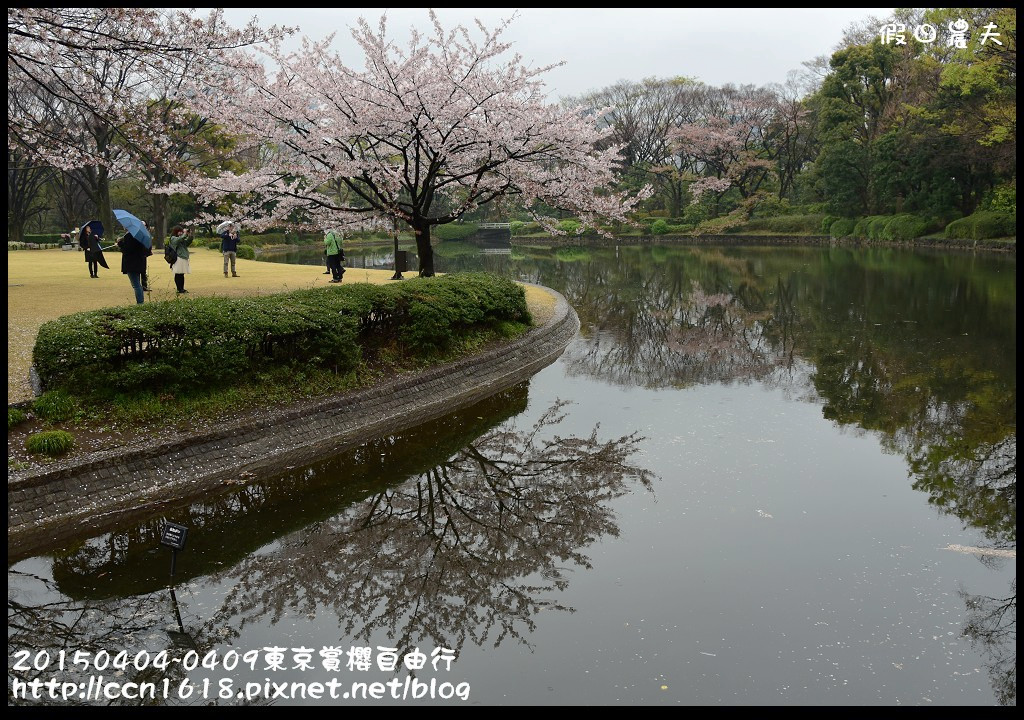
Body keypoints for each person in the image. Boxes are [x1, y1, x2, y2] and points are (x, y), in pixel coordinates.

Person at [117, 231, 151, 304]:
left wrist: (120, 244)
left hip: (132, 263)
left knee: (136, 285)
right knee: (137, 284)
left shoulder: (130, 235)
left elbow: (127, 250)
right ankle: (140, 302)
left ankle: (140, 302)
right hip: (139, 262)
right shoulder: (140, 235)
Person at [168, 225, 193, 294]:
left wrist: (190, 235)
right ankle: (179, 289)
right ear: (176, 231)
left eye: (181, 231)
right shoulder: (173, 238)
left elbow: (187, 243)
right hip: (178, 257)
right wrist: (184, 234)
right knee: (178, 273)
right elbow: (177, 241)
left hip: (183, 257)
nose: (181, 233)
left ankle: (182, 288)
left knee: (181, 274)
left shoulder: (181, 238)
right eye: (180, 231)